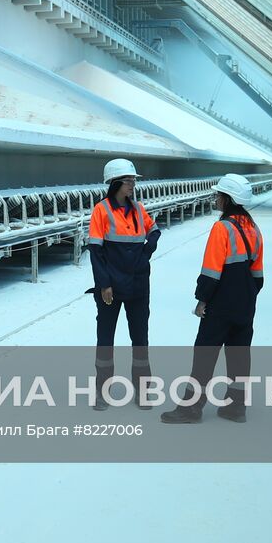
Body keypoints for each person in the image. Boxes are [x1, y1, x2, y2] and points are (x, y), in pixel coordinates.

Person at [161, 173, 264, 424]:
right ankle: (236, 407)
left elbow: (211, 270)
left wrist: (202, 299)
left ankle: (191, 408)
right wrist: (246, 297)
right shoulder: (253, 228)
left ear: (228, 199)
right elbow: (258, 275)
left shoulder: (223, 227)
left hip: (221, 303)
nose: (215, 198)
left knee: (205, 354)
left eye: (218, 195)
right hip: (246, 303)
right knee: (240, 354)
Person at [86, 158, 160, 410]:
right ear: (116, 183)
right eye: (129, 181)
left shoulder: (139, 208)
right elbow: (95, 252)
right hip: (111, 286)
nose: (132, 185)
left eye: (133, 181)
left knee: (140, 338)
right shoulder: (101, 211)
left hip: (138, 284)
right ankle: (102, 392)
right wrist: (104, 284)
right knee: (105, 339)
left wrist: (148, 248)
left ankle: (142, 391)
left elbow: (154, 229)